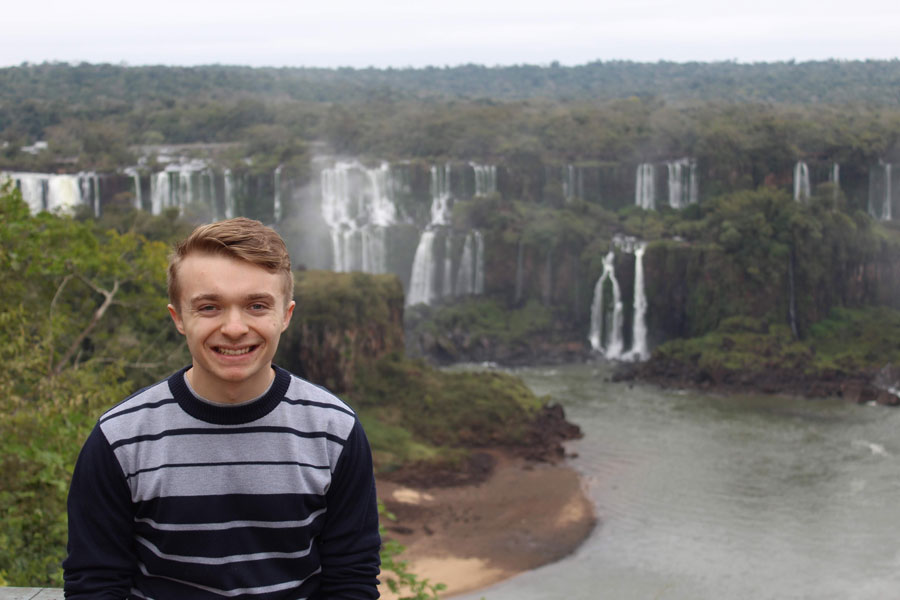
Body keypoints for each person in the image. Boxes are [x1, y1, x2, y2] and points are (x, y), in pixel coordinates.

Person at [63, 217, 381, 599]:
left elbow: (351, 580)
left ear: (286, 316)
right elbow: (95, 583)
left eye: (257, 305)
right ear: (178, 317)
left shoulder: (335, 431)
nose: (234, 327)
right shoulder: (121, 439)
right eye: (210, 307)